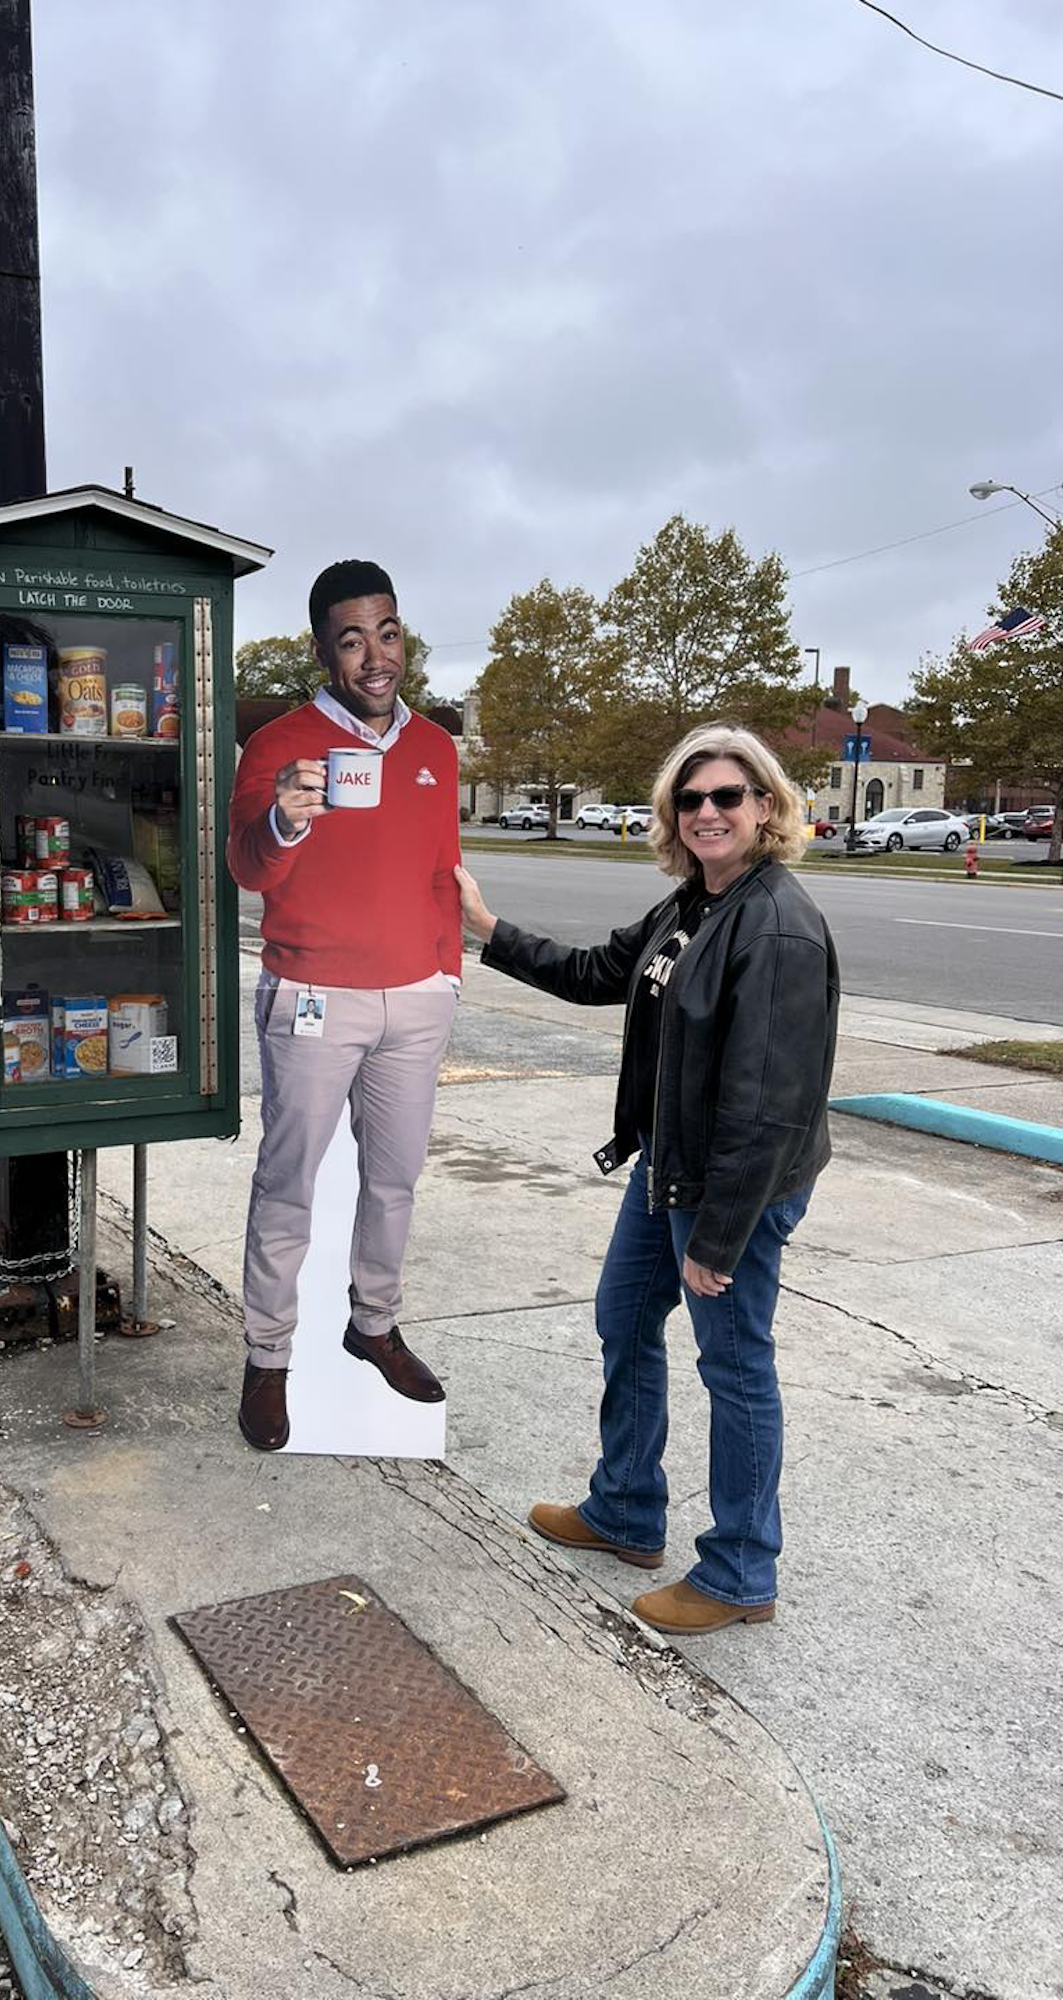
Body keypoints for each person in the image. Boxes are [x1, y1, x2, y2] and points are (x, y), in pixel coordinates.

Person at [454, 724, 838, 1633]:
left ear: (768, 809)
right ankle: (626, 1507)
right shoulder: (689, 907)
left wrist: (719, 1237)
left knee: (736, 1366)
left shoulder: (777, 926)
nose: (707, 812)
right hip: (672, 1165)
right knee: (624, 1315)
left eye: (728, 797)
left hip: (729, 1187)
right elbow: (598, 973)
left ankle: (742, 1572)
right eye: (691, 798)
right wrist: (487, 930)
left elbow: (771, 1104)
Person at [226, 559, 462, 1451]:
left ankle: (373, 1323)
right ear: (324, 650)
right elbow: (247, 868)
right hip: (315, 995)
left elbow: (443, 874)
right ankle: (268, 1355)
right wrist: (286, 819)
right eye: (351, 638)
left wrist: (446, 976)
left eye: (387, 633)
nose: (374, 655)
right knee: (290, 1182)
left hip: (415, 1001)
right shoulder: (280, 745)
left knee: (395, 1178)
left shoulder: (436, 748)